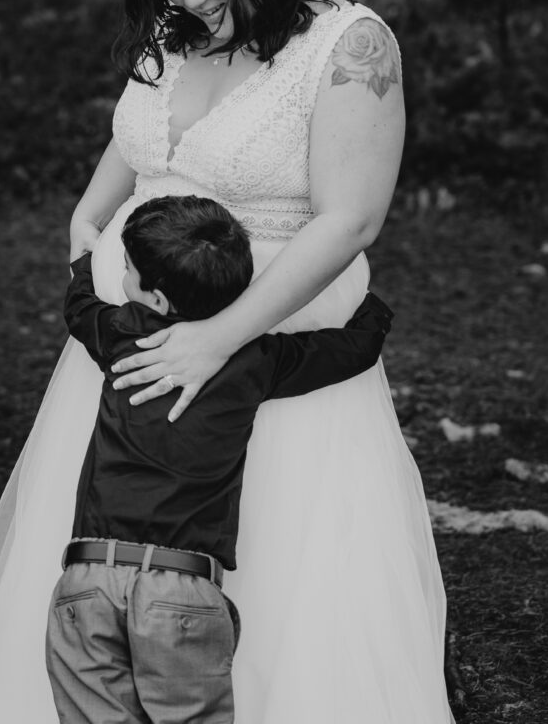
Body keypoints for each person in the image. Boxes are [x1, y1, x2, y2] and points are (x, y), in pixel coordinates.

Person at [0, 0, 454, 723]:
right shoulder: (174, 30)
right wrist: (86, 216)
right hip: (134, 337)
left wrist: (220, 340)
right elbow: (145, 138)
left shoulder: (347, 43)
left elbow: (349, 220)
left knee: (279, 575)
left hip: (266, 335)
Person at [49, 193, 393, 724]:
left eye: (129, 271)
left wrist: (80, 262)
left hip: (88, 578)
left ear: (157, 300)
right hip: (182, 589)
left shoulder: (121, 336)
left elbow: (79, 308)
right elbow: (354, 349)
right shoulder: (255, 359)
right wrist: (367, 302)